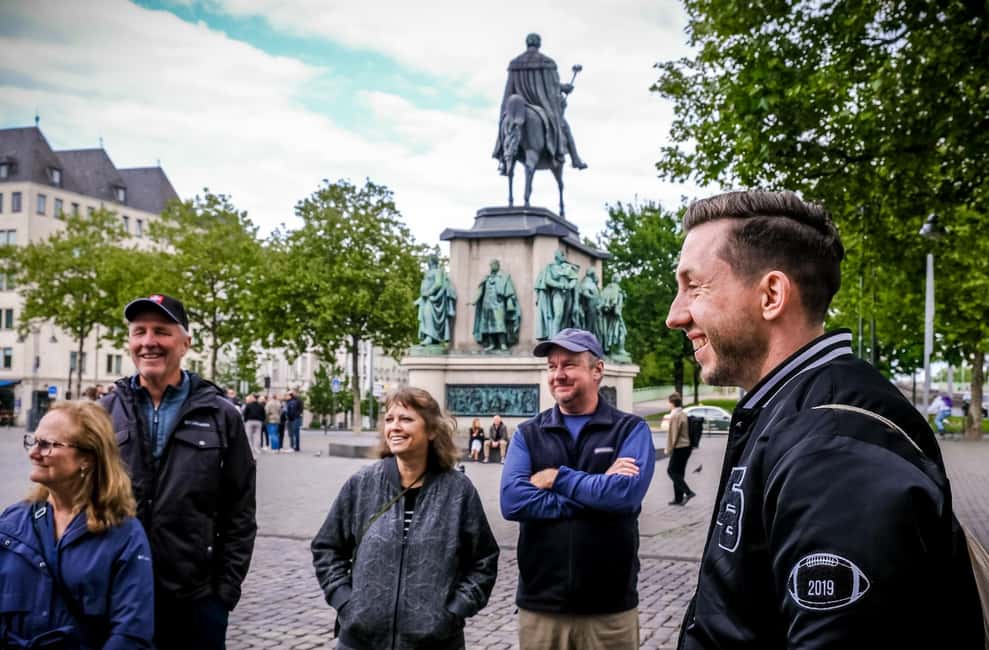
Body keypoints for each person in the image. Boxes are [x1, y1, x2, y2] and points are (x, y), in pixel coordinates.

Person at [665, 190, 985, 648]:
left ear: (772, 294)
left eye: (693, 287)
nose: (675, 316)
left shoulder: (831, 450)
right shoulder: (789, 414)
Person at [101, 293, 257, 649]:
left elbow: (240, 511)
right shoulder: (105, 412)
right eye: (139, 332)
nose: (148, 342)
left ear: (185, 343)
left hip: (195, 600)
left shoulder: (221, 415)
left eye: (161, 331)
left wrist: (223, 594)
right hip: (116, 596)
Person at [500, 328, 656, 650]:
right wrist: (594, 495)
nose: (558, 375)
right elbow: (513, 502)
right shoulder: (529, 433)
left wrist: (557, 478)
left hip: (610, 611)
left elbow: (623, 495)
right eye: (552, 366)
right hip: (541, 608)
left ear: (597, 370)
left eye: (569, 364)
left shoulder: (630, 429)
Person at [312, 387, 499, 649]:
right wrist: (346, 601)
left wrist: (454, 612)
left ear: (432, 430)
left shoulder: (458, 491)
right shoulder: (362, 484)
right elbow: (326, 547)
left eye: (406, 419)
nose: (395, 427)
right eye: (390, 419)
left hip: (436, 643)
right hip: (361, 641)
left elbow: (484, 560)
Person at [1, 401, 154, 648]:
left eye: (47, 445)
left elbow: (131, 631)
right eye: (33, 441)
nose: (33, 453)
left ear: (87, 458)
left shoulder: (123, 534)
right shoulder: (11, 524)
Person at [492, 33, 586, 172]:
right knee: (564, 126)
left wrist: (504, 112)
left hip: (519, 107)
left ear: (527, 43)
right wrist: (564, 87)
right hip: (542, 104)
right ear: (539, 44)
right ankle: (575, 158)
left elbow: (508, 90)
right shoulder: (548, 63)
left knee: (504, 123)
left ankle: (503, 157)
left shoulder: (514, 64)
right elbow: (552, 86)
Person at [472, 259, 521, 351]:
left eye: (494, 264)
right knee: (488, 325)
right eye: (491, 265)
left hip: (498, 303)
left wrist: (510, 302)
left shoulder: (504, 277)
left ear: (498, 265)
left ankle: (503, 343)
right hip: (487, 304)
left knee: (500, 323)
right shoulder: (487, 278)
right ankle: (492, 344)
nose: (492, 266)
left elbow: (510, 291)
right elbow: (480, 291)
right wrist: (474, 301)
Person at [534, 250, 580, 340]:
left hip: (568, 294)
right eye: (561, 254)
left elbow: (574, 279)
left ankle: (563, 338)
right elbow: (548, 280)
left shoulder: (568, 267)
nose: (563, 255)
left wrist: (570, 286)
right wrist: (559, 285)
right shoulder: (550, 267)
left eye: (564, 254)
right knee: (558, 314)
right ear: (556, 257)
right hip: (557, 294)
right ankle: (554, 338)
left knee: (566, 317)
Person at [416, 255, 457, 345]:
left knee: (428, 316)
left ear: (431, 261)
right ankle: (430, 338)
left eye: (428, 260)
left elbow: (438, 284)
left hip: (433, 299)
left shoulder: (437, 271)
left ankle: (430, 337)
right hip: (426, 299)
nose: (427, 262)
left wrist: (429, 293)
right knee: (425, 317)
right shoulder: (428, 272)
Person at [663, 392, 695, 506]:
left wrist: (669, 449)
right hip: (686, 447)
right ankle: (678, 499)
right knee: (679, 473)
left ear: (671, 402)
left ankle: (688, 492)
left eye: (669, 402)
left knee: (671, 471)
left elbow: (674, 435)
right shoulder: (682, 413)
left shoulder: (675, 415)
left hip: (679, 447)